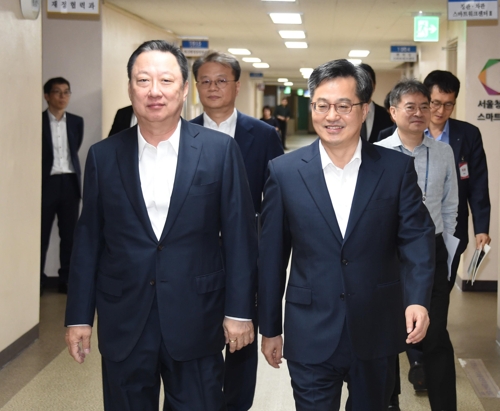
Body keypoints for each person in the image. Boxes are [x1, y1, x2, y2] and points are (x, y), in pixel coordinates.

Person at [64, 40, 258, 411]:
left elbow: (240, 238)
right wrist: (78, 318)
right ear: (130, 89)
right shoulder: (103, 156)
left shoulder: (219, 151)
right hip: (125, 319)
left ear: (184, 90)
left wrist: (239, 312)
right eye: (143, 80)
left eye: (166, 81)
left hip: (197, 317)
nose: (154, 91)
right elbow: (88, 242)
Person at [258, 59, 435, 411]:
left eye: (343, 105)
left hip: (376, 326)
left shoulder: (395, 169)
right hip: (310, 329)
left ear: (365, 110)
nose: (332, 116)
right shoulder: (284, 172)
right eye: (322, 105)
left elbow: (416, 238)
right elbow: (272, 256)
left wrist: (417, 299)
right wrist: (270, 327)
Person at [190, 50, 283, 411]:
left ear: (237, 86)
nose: (213, 87)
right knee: (197, 343)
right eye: (205, 81)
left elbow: (275, 200)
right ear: (196, 86)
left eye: (221, 80)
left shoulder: (263, 135)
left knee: (242, 343)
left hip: (247, 255)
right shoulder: (182, 133)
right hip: (196, 258)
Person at [377, 79, 459, 411]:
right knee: (386, 335)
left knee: (435, 334)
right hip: (389, 253)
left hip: (432, 252)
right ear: (393, 111)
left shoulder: (443, 152)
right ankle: (388, 403)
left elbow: (451, 206)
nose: (419, 113)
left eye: (425, 106)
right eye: (410, 107)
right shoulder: (377, 153)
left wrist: (448, 254)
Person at [423, 70, 491, 289]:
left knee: (443, 288)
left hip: (452, 228)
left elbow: (478, 185)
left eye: (448, 104)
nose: (440, 111)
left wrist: (481, 228)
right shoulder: (409, 131)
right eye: (435, 103)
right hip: (412, 226)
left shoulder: (469, 134)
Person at [41, 77, 83, 294]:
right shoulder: (38, 121)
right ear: (47, 96)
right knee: (41, 235)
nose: (62, 96)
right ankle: (38, 280)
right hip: (46, 183)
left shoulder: (76, 121)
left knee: (69, 236)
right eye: (57, 92)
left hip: (69, 183)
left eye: (66, 92)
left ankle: (66, 279)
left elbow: (74, 148)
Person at [358, 63, 393, 143]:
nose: (364, 86)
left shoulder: (387, 115)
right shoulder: (346, 115)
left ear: (374, 85)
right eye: (360, 82)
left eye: (368, 82)